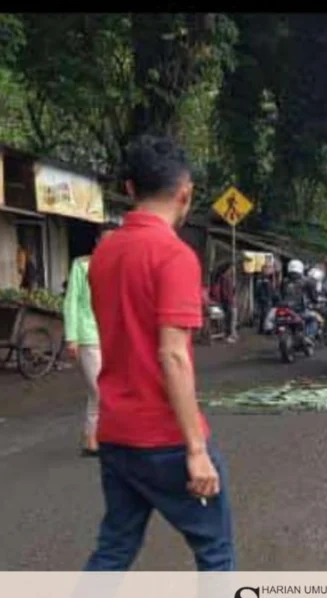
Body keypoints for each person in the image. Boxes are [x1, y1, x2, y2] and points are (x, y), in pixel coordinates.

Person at [84, 135, 233, 570]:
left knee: (113, 549)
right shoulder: (175, 256)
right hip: (165, 439)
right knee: (215, 552)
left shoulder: (104, 252)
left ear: (129, 190)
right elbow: (173, 356)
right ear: (185, 193)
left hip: (116, 434)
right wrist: (195, 450)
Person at [64, 226, 115, 458]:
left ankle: (93, 438)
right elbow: (72, 302)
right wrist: (71, 337)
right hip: (88, 335)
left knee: (103, 390)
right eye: (104, 241)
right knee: (99, 389)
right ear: (96, 242)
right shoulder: (82, 265)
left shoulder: (120, 266)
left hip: (112, 335)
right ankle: (95, 438)